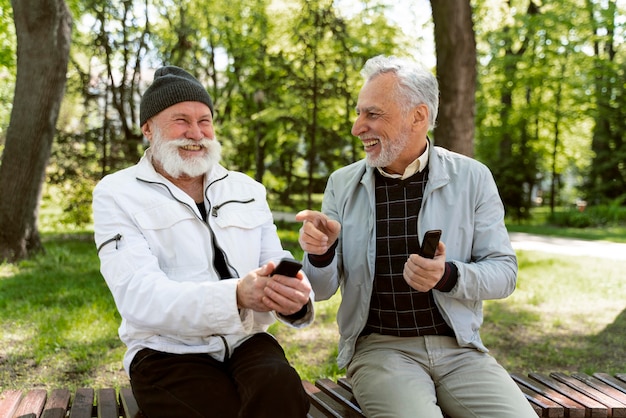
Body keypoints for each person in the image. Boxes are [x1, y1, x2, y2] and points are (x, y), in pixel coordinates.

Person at [296, 55, 536, 418]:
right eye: (359, 113)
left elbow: (504, 274)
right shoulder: (342, 185)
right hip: (381, 351)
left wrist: (448, 275)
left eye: (372, 114)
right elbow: (322, 289)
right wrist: (321, 254)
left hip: (461, 352)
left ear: (418, 116)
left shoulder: (473, 178)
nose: (357, 127)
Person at [93, 66, 313, 418]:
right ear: (148, 128)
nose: (196, 133)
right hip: (165, 350)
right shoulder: (117, 193)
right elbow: (138, 296)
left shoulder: (247, 190)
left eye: (204, 121)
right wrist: (237, 294)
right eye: (181, 120)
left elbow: (276, 258)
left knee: (282, 389)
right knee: (217, 408)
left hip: (247, 341)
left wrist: (295, 298)